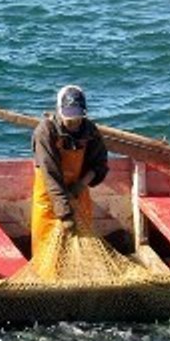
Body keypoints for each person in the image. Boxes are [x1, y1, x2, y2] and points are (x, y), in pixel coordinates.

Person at [30, 85, 109, 256]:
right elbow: (50, 175)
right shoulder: (45, 132)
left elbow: (100, 165)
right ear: (59, 112)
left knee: (81, 246)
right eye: (69, 118)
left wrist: (80, 186)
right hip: (50, 197)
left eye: (78, 118)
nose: (74, 123)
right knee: (49, 253)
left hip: (77, 193)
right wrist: (65, 214)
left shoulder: (90, 131)